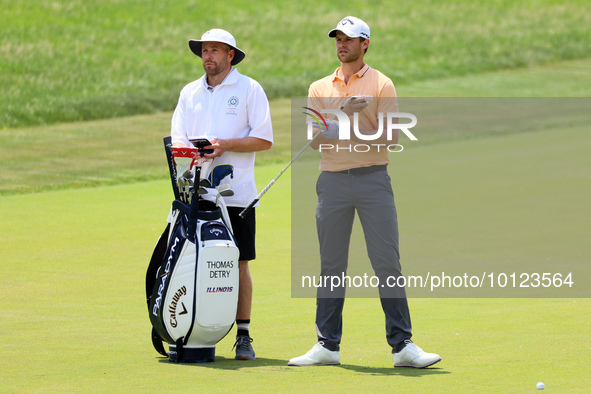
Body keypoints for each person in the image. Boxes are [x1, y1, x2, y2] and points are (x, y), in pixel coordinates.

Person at [288, 16, 441, 368]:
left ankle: (402, 346)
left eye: (349, 39)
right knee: (331, 264)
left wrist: (344, 124)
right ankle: (327, 345)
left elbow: (391, 137)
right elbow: (313, 141)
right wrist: (343, 112)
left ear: (365, 44)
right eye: (338, 38)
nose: (342, 44)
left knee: (386, 261)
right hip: (332, 182)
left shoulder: (382, 84)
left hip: (374, 180)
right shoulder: (319, 87)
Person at [170, 28, 273, 360]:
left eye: (215, 50)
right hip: (193, 192)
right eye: (204, 50)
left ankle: (243, 336)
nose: (208, 55)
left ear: (231, 55)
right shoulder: (189, 93)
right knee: (188, 258)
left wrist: (224, 146)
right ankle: (190, 326)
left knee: (240, 263)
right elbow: (179, 142)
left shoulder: (249, 89)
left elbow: (264, 139)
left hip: (237, 194)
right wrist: (192, 156)